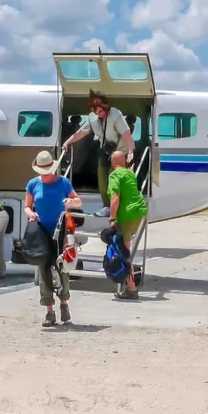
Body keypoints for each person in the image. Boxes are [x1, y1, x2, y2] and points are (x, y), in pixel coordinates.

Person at [24, 150, 82, 327]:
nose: (46, 175)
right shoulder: (33, 184)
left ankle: (64, 303)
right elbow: (27, 206)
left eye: (48, 171)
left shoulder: (63, 182)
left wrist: (71, 203)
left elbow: (78, 200)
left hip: (61, 229)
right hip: (41, 230)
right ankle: (49, 310)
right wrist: (31, 213)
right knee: (43, 268)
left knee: (62, 265)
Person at [60, 90, 134, 207]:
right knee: (101, 179)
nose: (99, 113)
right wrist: (67, 142)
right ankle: (106, 206)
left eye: (101, 110)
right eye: (96, 111)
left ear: (105, 106)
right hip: (105, 151)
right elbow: (81, 132)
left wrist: (130, 151)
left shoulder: (115, 114)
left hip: (120, 151)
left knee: (114, 179)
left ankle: (116, 207)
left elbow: (126, 133)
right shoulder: (92, 117)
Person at [106, 150, 147, 299]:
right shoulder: (130, 173)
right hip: (138, 212)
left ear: (111, 163)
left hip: (127, 217)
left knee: (125, 254)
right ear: (123, 162)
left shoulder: (114, 175)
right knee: (125, 250)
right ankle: (130, 285)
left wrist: (112, 217)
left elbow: (115, 197)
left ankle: (131, 288)